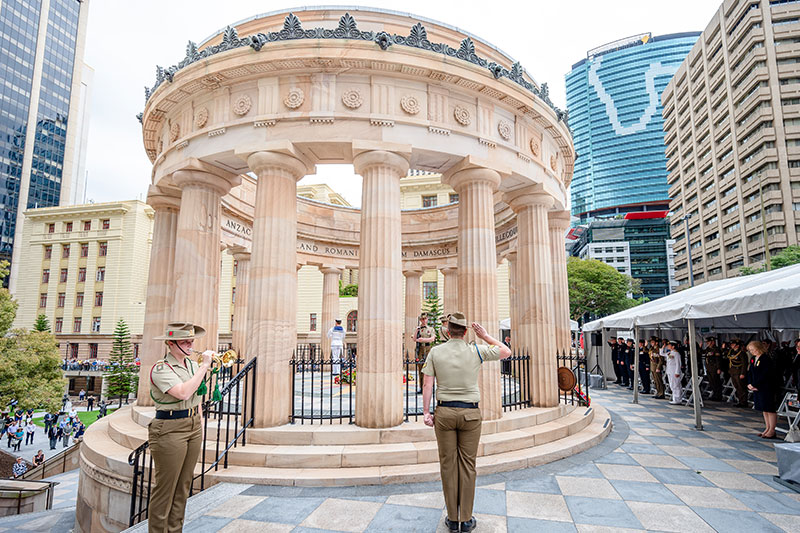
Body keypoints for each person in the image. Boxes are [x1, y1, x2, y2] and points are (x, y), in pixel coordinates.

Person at [421, 313, 512, 533]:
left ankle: (453, 519)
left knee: (448, 464)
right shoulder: (476, 350)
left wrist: (426, 412)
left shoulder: (435, 351)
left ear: (448, 331)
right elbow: (506, 351)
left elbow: (427, 384)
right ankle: (466, 518)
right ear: (465, 331)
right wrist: (486, 335)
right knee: (468, 465)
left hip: (444, 412)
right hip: (470, 413)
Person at [148, 322, 213, 533]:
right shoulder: (160, 368)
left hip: (192, 425)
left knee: (183, 486)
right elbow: (183, 393)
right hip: (169, 427)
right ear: (171, 343)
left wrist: (200, 423)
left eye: (191, 340)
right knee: (165, 489)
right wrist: (204, 365)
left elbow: (197, 397)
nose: (190, 344)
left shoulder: (192, 366)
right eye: (184, 340)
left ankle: (175, 530)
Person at [747, 341, 780, 439]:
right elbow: (750, 372)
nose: (752, 352)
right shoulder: (753, 359)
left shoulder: (766, 359)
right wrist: (749, 383)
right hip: (757, 387)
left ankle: (772, 430)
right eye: (750, 350)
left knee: (770, 408)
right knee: (764, 409)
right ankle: (767, 428)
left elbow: (765, 374)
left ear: (759, 348)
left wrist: (755, 384)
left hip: (766, 387)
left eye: (753, 349)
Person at [415, 313, 435, 393]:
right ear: (420, 320)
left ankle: (431, 386)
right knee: (420, 369)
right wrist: (416, 331)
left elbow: (432, 338)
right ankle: (421, 387)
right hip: (420, 349)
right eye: (422, 319)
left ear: (427, 319)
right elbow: (414, 339)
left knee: (429, 368)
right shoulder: (418, 329)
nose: (424, 321)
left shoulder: (430, 329)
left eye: (425, 319)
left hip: (428, 348)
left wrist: (423, 340)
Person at [728, 339, 749, 407]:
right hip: (733, 372)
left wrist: (743, 373)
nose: (731, 345)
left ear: (737, 345)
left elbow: (744, 364)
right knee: (737, 386)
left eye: (733, 344)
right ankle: (740, 400)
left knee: (741, 387)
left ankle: (743, 402)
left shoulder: (742, 353)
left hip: (739, 372)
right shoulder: (731, 352)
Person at [702, 337, 723, 401]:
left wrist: (719, 368)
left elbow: (718, 360)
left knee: (716, 382)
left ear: (713, 342)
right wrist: (699, 347)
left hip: (714, 368)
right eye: (707, 342)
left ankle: (718, 396)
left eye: (709, 342)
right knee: (712, 382)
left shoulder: (716, 349)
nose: (707, 343)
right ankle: (714, 394)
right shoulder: (708, 349)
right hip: (709, 368)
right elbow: (701, 352)